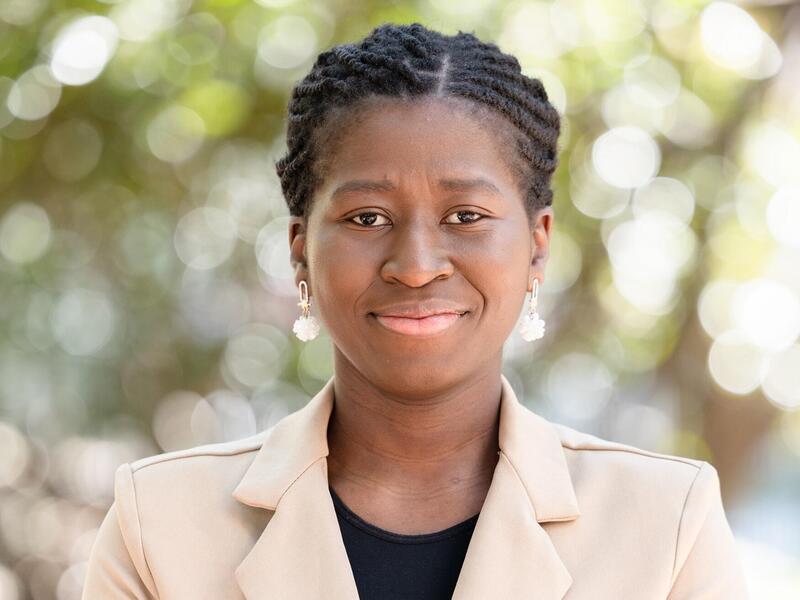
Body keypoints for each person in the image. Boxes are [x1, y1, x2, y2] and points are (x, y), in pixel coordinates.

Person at [82, 22, 749, 600]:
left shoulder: (667, 523)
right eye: (367, 217)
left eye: (466, 216)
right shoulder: (160, 524)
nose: (417, 264)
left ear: (537, 246)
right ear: (301, 251)